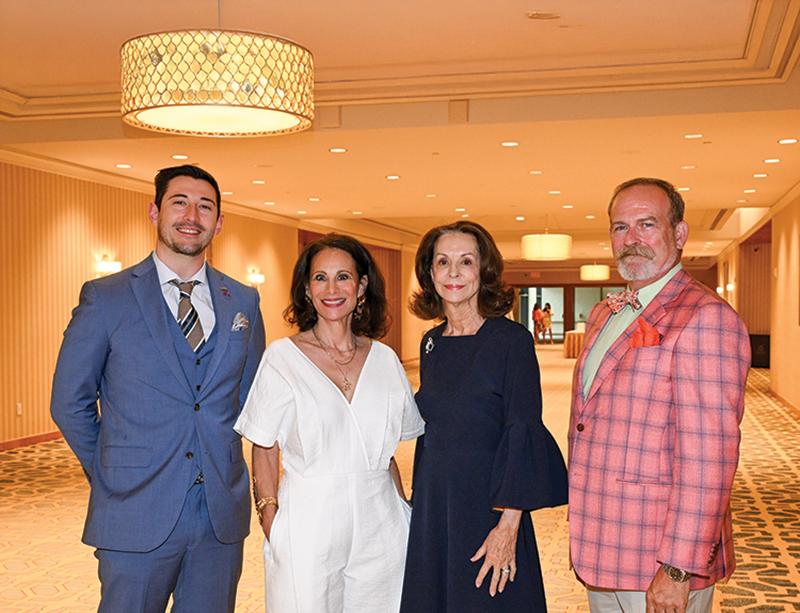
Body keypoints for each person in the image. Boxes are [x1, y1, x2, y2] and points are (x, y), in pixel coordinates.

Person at [50, 165, 266, 612]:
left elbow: (252, 401)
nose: (192, 215)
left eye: (205, 207)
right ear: (155, 212)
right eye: (179, 202)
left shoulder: (243, 300)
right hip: (134, 510)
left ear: (219, 223)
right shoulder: (106, 296)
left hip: (219, 515)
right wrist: (112, 470)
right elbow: (69, 402)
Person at [568, 178, 750, 613]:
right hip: (603, 541)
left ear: (679, 234)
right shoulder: (603, 313)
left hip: (659, 560)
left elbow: (709, 458)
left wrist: (677, 569)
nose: (631, 239)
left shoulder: (706, 316)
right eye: (620, 227)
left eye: (646, 224)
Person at [234, 234, 424, 612]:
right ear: (307, 289)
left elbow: (387, 453)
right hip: (309, 520)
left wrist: (402, 508)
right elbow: (265, 448)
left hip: (381, 522)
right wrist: (271, 520)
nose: (332, 289)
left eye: (343, 277)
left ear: (362, 286)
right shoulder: (282, 358)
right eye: (320, 278)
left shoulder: (386, 360)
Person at [400, 221, 568, 612]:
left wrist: (508, 526)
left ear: (484, 270)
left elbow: (522, 430)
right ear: (430, 273)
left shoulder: (511, 341)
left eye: (466, 261)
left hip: (488, 507)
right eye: (443, 262)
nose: (454, 272)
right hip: (435, 506)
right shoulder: (431, 343)